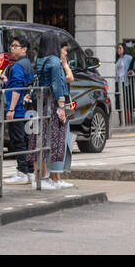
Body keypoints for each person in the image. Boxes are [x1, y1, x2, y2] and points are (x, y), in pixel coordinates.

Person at [26, 27, 70, 189]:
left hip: (39, 103)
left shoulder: (39, 60)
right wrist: (61, 106)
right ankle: (43, 179)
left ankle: (40, 178)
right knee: (50, 140)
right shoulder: (54, 61)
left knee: (38, 139)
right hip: (50, 104)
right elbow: (57, 85)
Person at [3, 35, 34, 185]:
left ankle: (22, 172)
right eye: (12, 46)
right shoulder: (27, 63)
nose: (12, 48)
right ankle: (29, 171)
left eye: (15, 46)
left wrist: (11, 109)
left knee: (18, 141)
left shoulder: (17, 66)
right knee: (26, 140)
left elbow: (17, 88)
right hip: (26, 109)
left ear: (24, 49)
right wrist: (6, 81)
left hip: (18, 110)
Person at [59, 40, 76, 186]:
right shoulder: (57, 65)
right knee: (62, 141)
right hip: (60, 106)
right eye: (64, 50)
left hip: (65, 104)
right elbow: (70, 78)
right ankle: (56, 177)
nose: (66, 54)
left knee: (66, 142)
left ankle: (59, 175)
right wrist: (65, 65)